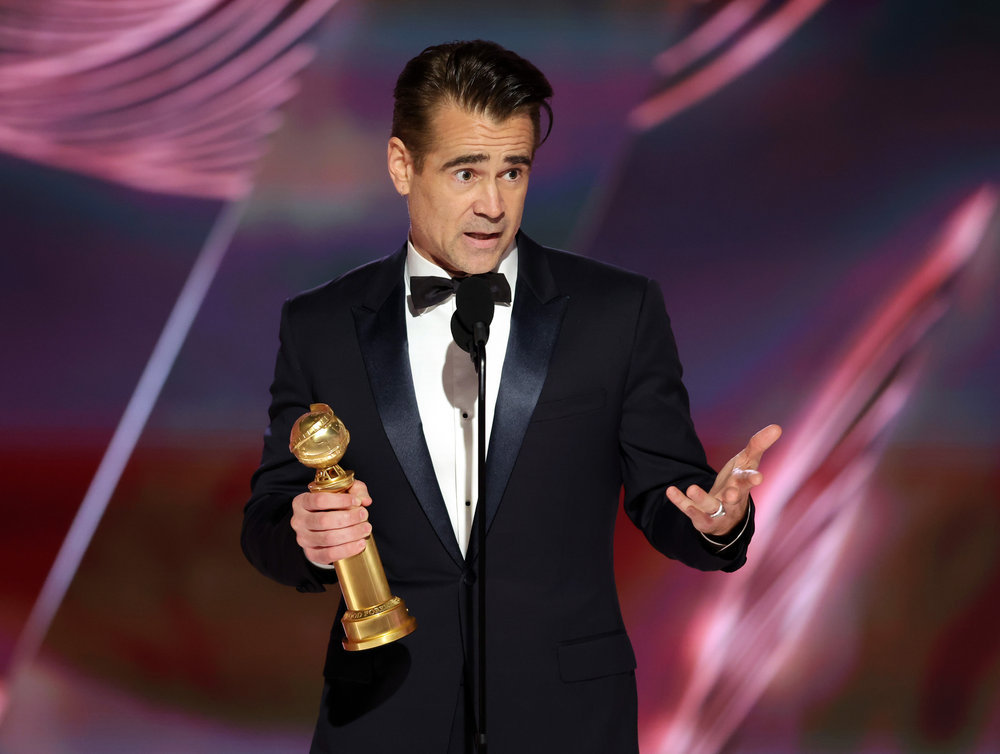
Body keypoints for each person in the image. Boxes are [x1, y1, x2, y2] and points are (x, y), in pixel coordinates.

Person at [242, 39, 781, 753]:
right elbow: (267, 524)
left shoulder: (616, 313)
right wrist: (307, 538)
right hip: (384, 719)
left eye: (513, 172)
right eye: (466, 172)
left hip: (568, 722)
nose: (493, 205)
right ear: (403, 165)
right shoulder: (320, 327)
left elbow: (668, 494)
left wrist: (715, 521)